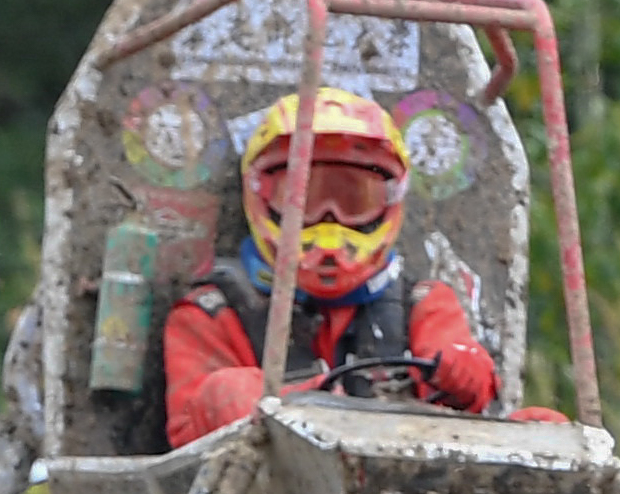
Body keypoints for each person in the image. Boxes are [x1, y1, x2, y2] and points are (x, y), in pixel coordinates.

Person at [163, 86, 497, 447]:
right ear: (261, 195)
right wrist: (268, 398)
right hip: (263, 491)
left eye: (353, 199)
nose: (329, 222)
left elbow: (474, 388)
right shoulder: (210, 314)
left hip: (402, 485)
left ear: (388, 201)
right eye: (304, 201)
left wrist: (464, 370)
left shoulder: (423, 304)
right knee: (227, 390)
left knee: (547, 423)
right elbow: (189, 427)